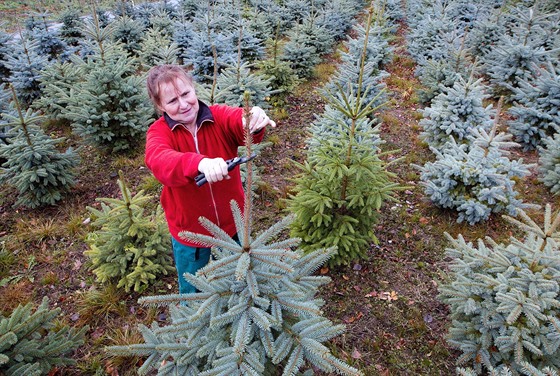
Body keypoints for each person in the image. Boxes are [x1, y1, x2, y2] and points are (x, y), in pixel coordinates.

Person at [144, 64, 276, 294]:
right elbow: (160, 160)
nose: (183, 104)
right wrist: (199, 163)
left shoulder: (217, 117)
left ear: (194, 90)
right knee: (195, 291)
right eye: (172, 101)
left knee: (239, 284)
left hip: (233, 225)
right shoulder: (159, 133)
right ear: (159, 106)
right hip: (191, 235)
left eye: (186, 94)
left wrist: (251, 120)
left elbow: (239, 121)